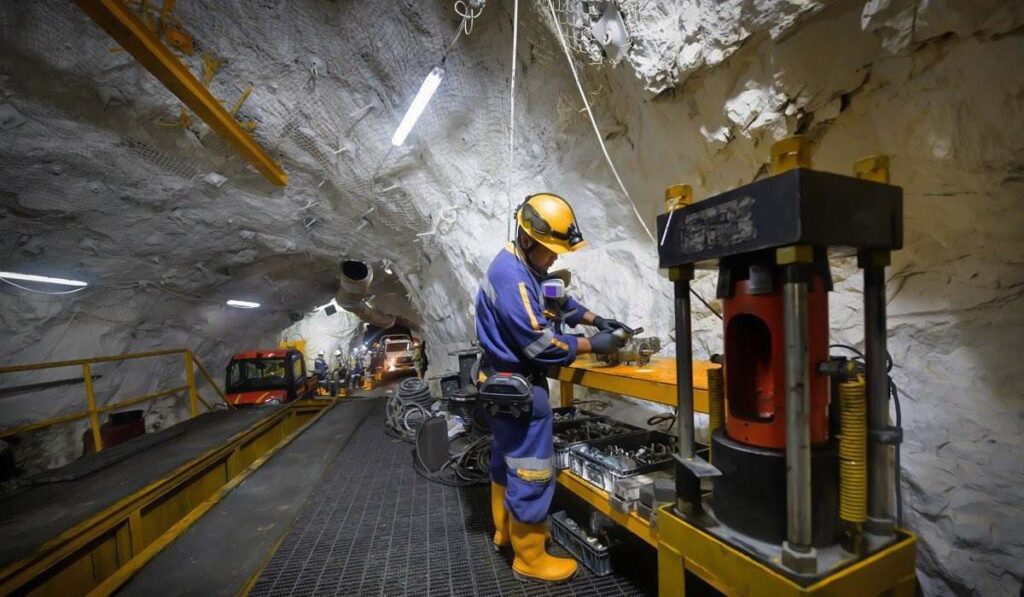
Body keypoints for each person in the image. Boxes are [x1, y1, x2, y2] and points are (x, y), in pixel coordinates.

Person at [475, 193, 631, 583]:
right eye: (551, 251)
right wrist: (592, 345)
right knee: (531, 470)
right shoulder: (510, 278)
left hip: (501, 384)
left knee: (506, 460)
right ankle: (529, 556)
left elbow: (558, 300)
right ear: (528, 240)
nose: (556, 259)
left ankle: (505, 532)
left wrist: (598, 320)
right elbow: (541, 345)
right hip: (518, 389)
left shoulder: (525, 267)